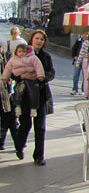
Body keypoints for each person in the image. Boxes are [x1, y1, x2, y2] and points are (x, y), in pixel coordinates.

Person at [14, 30, 55, 166]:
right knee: (25, 124)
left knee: (40, 127)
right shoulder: (21, 54)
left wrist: (39, 77)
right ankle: (19, 146)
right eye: (36, 38)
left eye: (41, 39)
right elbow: (12, 72)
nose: (39, 41)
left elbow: (51, 74)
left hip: (40, 95)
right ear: (31, 39)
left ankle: (39, 155)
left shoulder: (46, 57)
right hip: (24, 96)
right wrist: (22, 76)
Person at [1, 44, 45, 118]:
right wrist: (5, 77)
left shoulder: (32, 58)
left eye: (24, 51)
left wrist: (40, 75)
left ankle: (33, 108)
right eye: (19, 51)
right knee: (18, 92)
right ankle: (17, 106)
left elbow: (38, 66)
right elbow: (8, 68)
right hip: (20, 79)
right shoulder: (13, 59)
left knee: (34, 91)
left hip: (32, 79)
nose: (21, 53)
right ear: (16, 52)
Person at [0, 44, 17, 151]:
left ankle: (18, 143)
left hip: (3, 92)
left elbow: (7, 72)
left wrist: (10, 88)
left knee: (9, 117)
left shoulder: (2, 54)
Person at [75, 34, 89, 99]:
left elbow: (81, 53)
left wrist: (78, 63)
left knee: (86, 78)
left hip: (86, 60)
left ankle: (86, 93)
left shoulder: (85, 43)